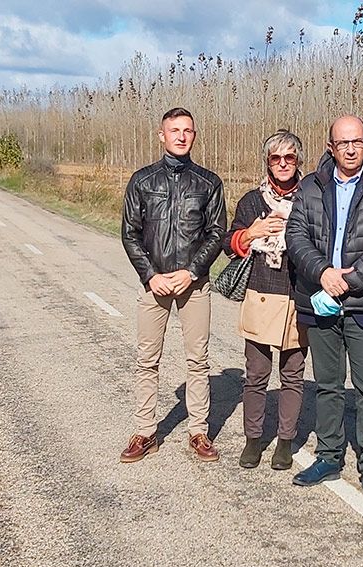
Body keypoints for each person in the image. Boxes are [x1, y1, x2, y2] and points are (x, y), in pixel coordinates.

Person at [284, 115, 363, 502]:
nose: (352, 148)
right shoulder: (310, 187)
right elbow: (295, 235)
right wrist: (322, 274)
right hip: (321, 300)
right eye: (343, 143)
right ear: (330, 147)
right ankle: (328, 455)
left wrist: (349, 281)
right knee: (328, 384)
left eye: (358, 141)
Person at [120, 107, 225, 464]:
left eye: (188, 130)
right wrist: (150, 274)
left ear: (195, 136)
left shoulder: (209, 183)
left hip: (194, 284)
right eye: (174, 130)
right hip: (154, 283)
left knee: (198, 360)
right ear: (161, 135)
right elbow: (130, 234)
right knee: (147, 359)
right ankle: (145, 431)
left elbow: (216, 234)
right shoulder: (142, 180)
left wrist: (192, 271)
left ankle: (198, 431)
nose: (181, 136)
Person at [222, 130, 309, 471]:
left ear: (298, 161)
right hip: (260, 292)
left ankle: (285, 442)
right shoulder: (251, 202)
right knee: (256, 374)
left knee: (293, 374)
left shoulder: (311, 198)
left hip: (296, 295)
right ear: (267, 162)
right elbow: (229, 242)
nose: (283, 164)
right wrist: (251, 233)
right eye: (276, 158)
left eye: (290, 157)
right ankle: (253, 440)